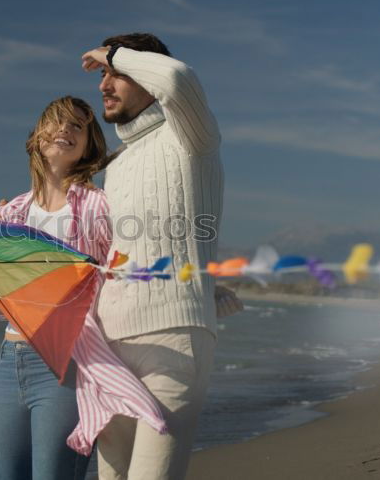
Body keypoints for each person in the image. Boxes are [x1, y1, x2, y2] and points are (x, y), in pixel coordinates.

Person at [0, 96, 167, 480]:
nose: (65, 129)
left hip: (66, 364)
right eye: (57, 122)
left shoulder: (99, 208)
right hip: (9, 361)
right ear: (36, 138)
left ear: (89, 146)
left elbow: (128, 273)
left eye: (78, 126)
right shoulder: (12, 214)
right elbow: (4, 304)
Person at [80, 33, 239, 479]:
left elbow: (178, 78)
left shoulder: (192, 135)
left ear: (145, 73)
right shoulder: (117, 163)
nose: (104, 85)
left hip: (172, 337)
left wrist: (113, 54)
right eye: (104, 76)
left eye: (117, 75)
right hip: (108, 345)